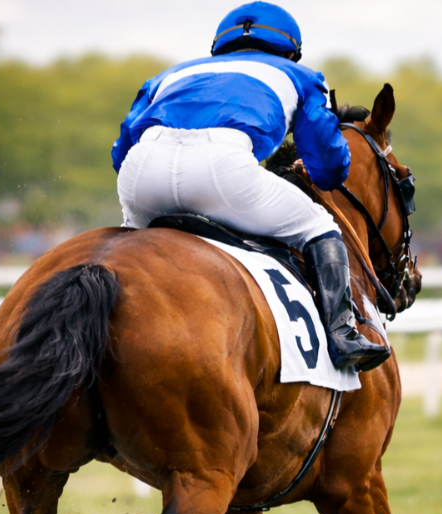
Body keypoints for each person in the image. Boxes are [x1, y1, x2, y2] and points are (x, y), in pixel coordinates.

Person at [111, 2, 388, 370]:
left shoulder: (168, 75)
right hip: (222, 170)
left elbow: (122, 151)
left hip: (141, 172)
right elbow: (327, 166)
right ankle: (342, 336)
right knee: (320, 225)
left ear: (219, 49)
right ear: (290, 52)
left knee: (126, 252)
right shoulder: (299, 74)